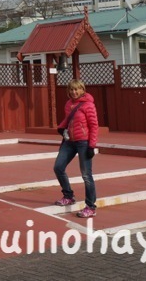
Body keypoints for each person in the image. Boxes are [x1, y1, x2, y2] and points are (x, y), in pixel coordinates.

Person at [53, 78, 99, 218]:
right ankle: (68, 195)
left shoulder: (88, 105)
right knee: (58, 167)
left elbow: (93, 126)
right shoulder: (68, 104)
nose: (74, 92)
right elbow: (68, 119)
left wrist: (91, 145)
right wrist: (61, 127)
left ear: (82, 90)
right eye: (71, 89)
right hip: (70, 141)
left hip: (83, 143)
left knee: (86, 175)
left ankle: (90, 206)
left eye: (76, 89)